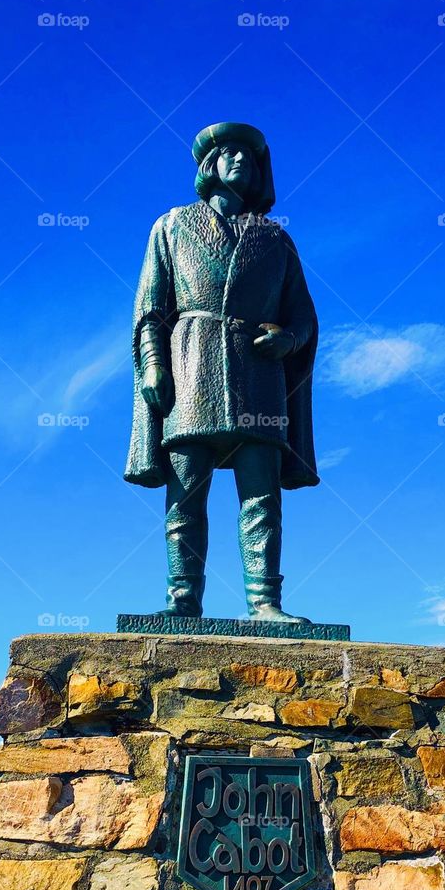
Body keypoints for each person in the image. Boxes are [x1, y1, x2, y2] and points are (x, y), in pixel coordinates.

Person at [125, 121, 319, 622]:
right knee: (184, 494)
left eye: (249, 158)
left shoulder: (276, 240)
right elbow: (151, 310)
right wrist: (153, 364)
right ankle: (181, 601)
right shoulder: (170, 226)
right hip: (191, 366)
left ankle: (266, 604)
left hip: (259, 376)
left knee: (262, 497)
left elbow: (305, 318)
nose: (239, 161)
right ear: (209, 166)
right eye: (229, 153)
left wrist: (288, 339)